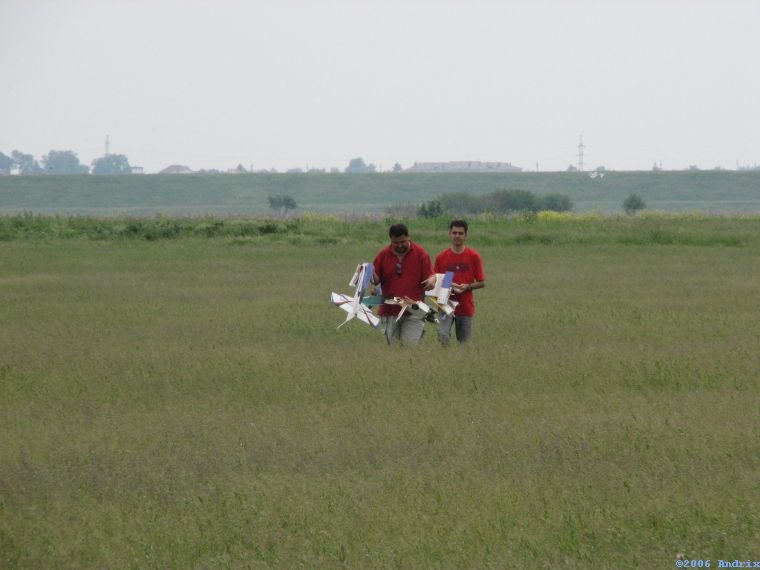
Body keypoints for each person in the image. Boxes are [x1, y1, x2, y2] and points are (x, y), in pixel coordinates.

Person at [372, 223, 436, 346]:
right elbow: (375, 280)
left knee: (410, 347)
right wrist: (367, 273)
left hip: (414, 311)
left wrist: (432, 280)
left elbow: (431, 276)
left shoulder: (421, 254)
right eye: (396, 243)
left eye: (403, 242)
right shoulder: (383, 255)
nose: (400, 245)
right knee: (393, 349)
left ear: (408, 237)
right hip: (389, 311)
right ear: (391, 240)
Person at [434, 220, 485, 345]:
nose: (457, 236)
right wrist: (448, 286)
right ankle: (444, 356)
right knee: (443, 335)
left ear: (466, 236)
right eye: (454, 233)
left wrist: (467, 286)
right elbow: (435, 280)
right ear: (450, 234)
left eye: (460, 233)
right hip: (445, 304)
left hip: (465, 305)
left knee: (464, 342)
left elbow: (481, 282)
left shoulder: (474, 256)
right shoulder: (441, 257)